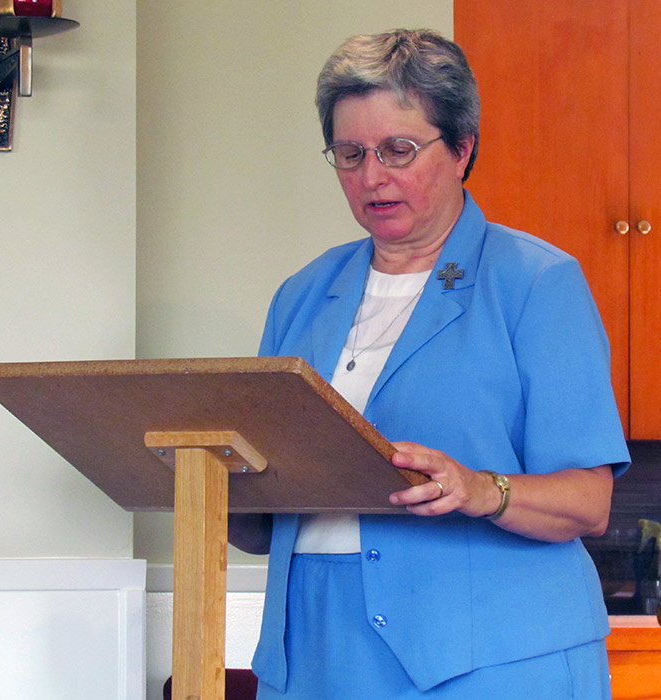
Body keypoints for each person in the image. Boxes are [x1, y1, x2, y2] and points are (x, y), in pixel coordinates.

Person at [229, 28, 630, 699]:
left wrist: (481, 490)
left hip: (493, 660)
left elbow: (589, 504)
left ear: (462, 148)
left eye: (398, 150)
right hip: (314, 653)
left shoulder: (535, 282)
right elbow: (265, 516)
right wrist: (210, 481)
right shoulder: (301, 295)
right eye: (350, 154)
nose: (371, 177)